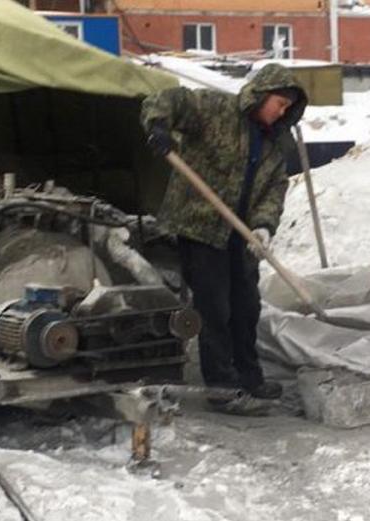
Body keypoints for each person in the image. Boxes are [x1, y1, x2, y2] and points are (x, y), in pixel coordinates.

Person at [141, 64, 308, 410]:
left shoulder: (278, 142)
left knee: (246, 305)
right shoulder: (215, 109)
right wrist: (158, 125)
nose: (283, 111)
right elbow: (167, 100)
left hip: (242, 233)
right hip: (200, 224)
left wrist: (263, 226)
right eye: (279, 102)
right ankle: (222, 389)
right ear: (261, 95)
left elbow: (275, 188)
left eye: (289, 106)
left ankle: (250, 378)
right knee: (215, 306)